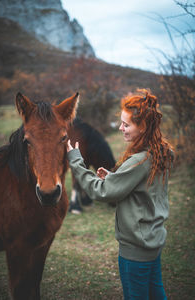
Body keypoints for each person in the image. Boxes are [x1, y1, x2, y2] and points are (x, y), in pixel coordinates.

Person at [66, 89, 173, 300]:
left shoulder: (138, 161)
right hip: (152, 241)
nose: (121, 128)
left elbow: (103, 192)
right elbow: (139, 187)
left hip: (135, 251)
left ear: (142, 127)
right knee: (155, 292)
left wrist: (76, 161)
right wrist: (114, 177)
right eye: (121, 122)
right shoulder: (159, 152)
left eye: (127, 124)